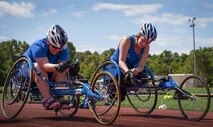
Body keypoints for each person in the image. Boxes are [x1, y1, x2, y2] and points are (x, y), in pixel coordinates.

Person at [23, 24, 71, 110]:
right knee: (38, 66)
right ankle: (48, 99)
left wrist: (68, 68)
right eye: (55, 47)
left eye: (60, 48)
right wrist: (58, 66)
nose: (57, 50)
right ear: (48, 42)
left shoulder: (63, 49)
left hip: (48, 74)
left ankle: (60, 97)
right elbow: (44, 66)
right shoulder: (38, 46)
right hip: (28, 71)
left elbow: (62, 66)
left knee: (63, 68)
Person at [110, 23, 157, 101]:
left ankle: (124, 89)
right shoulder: (127, 40)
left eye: (148, 43)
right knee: (119, 93)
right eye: (143, 40)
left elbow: (141, 66)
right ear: (138, 35)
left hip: (130, 68)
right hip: (115, 67)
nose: (144, 44)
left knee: (143, 75)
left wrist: (136, 70)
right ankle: (117, 89)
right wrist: (129, 72)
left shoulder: (146, 47)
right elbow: (121, 61)